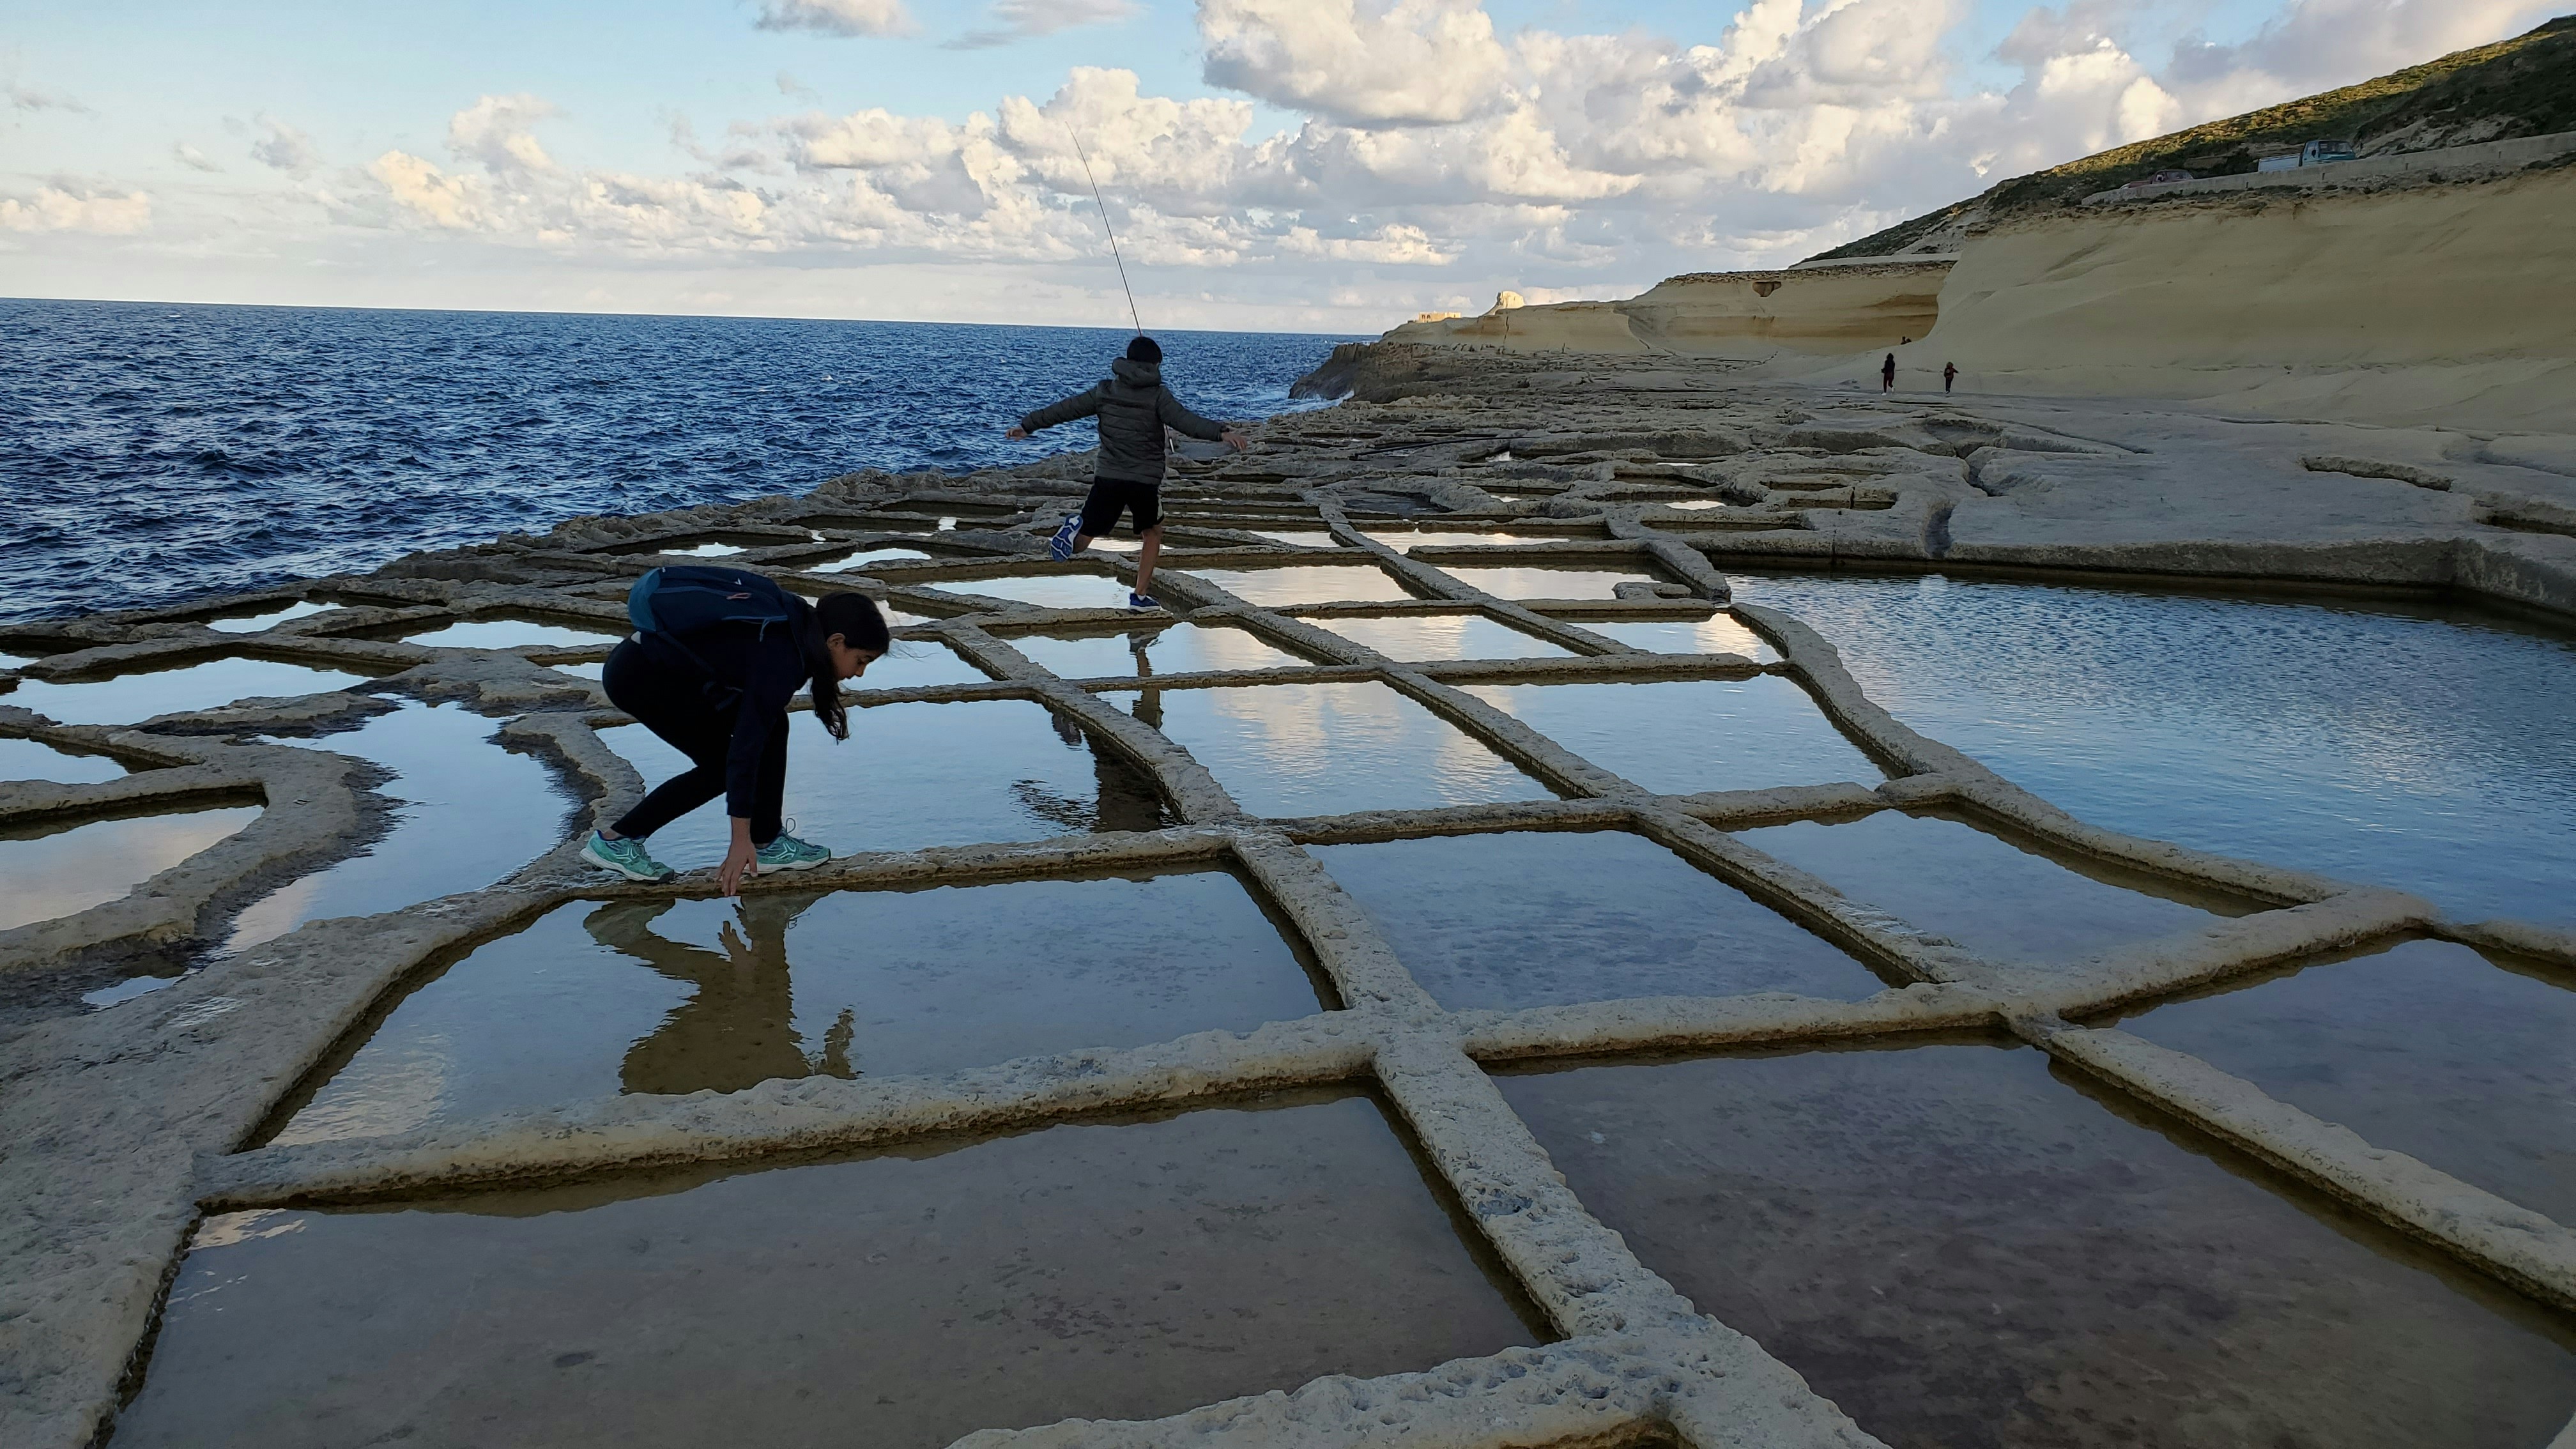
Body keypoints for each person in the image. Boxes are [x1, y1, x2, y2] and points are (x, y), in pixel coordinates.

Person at [581, 582, 889, 894]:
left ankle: (768, 842)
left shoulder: (800, 628)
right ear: (836, 642)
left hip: (662, 667)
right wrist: (739, 842)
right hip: (641, 678)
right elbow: (745, 749)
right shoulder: (784, 659)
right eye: (861, 660)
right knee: (720, 768)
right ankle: (618, 841)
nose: (859, 673)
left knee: (774, 724)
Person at [1006, 335, 1249, 610]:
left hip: (1108, 477)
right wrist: (1222, 432)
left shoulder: (1105, 391)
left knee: (1084, 541)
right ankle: (1140, 597)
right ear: (1154, 365)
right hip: (1143, 481)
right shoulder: (1158, 395)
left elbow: (1065, 410)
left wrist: (1028, 426)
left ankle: (1071, 530)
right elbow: (1186, 421)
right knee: (1153, 533)